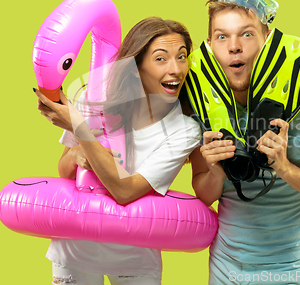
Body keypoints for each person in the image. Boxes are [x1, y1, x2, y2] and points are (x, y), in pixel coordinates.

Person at [189, 0, 300, 284]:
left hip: (293, 274)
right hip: (225, 275)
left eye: (247, 34)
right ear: (210, 44)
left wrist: (284, 168)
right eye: (221, 36)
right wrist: (216, 173)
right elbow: (203, 193)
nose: (234, 46)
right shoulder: (200, 108)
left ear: (267, 38)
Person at [34, 17, 202, 285]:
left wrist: (80, 129)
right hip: (74, 251)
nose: (176, 69)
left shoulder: (184, 129)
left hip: (135, 258)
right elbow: (64, 171)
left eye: (182, 57)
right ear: (136, 66)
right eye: (161, 59)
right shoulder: (93, 98)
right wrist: (77, 154)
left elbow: (125, 191)